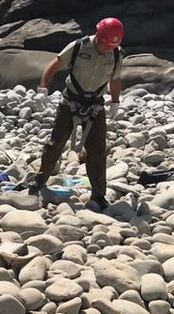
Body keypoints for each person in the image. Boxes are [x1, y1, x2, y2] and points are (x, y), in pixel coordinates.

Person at [31, 17, 124, 210]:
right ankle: (39, 182)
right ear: (98, 36)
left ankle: (98, 195)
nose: (107, 49)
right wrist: (43, 89)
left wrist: (115, 102)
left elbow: (115, 79)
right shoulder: (78, 47)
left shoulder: (116, 54)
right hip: (70, 101)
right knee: (55, 144)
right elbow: (54, 65)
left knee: (97, 150)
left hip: (95, 106)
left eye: (111, 46)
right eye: (105, 45)